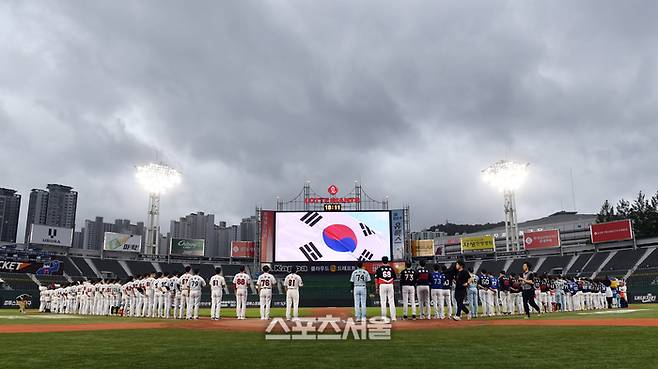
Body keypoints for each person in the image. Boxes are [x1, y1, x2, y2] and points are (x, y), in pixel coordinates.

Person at [375, 256, 397, 322]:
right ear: (387, 261)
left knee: (383, 301)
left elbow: (376, 279)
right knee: (391, 301)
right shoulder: (391, 269)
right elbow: (394, 278)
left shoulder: (379, 269)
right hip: (390, 284)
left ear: (382, 261)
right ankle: (393, 317)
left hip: (382, 285)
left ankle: (384, 317)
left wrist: (376, 288)